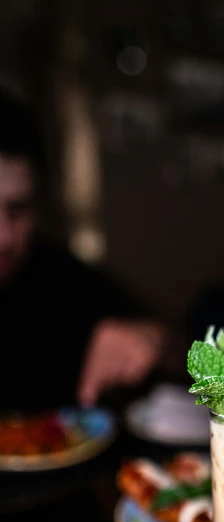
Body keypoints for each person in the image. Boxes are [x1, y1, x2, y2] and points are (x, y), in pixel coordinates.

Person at [0, 91, 168, 410]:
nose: (5, 237)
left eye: (18, 209)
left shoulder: (61, 278)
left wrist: (151, 338)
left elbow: (170, 341)